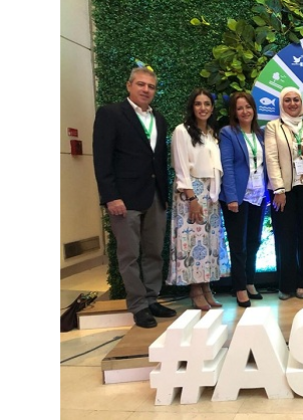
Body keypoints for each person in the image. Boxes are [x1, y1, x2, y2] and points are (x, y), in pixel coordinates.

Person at [93, 67, 177, 328]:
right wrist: (111, 196)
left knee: (154, 253)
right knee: (129, 255)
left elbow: (158, 161)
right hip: (124, 199)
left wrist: (164, 195)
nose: (146, 90)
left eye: (151, 86)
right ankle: (138, 306)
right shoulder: (110, 114)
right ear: (129, 86)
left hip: (155, 197)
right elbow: (102, 159)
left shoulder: (159, 119)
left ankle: (152, 299)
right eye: (141, 84)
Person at [264, 87, 303, 300]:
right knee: (285, 237)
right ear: (281, 103)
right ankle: (286, 285)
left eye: (296, 100)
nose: (292, 104)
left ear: (301, 103)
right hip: (285, 192)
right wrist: (278, 189)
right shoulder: (273, 127)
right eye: (287, 100)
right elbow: (272, 159)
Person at [166, 88, 225, 310]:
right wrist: (191, 199)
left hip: (210, 193)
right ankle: (195, 290)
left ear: (212, 107)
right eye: (198, 104)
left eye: (207, 104)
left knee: (208, 243)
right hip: (191, 191)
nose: (203, 108)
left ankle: (207, 287)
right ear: (192, 107)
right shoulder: (182, 131)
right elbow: (181, 168)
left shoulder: (211, 133)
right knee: (192, 243)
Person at [219, 92, 268, 308]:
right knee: (238, 244)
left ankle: (249, 281)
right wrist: (231, 197)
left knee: (254, 241)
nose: (245, 111)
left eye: (248, 107)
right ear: (234, 112)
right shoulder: (228, 133)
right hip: (237, 197)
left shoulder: (260, 134)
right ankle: (239, 288)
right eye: (240, 108)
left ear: (254, 109)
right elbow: (227, 166)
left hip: (258, 195)